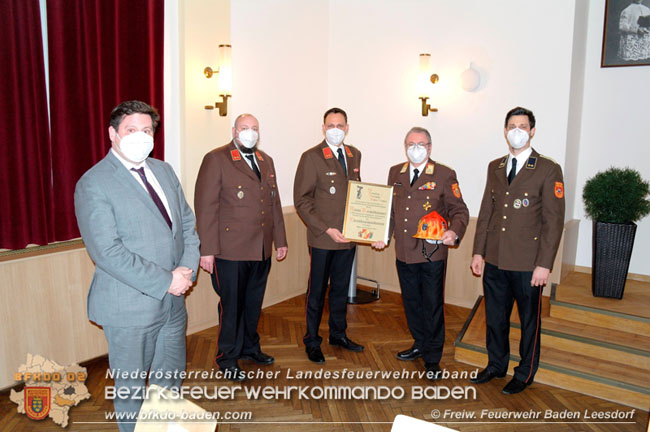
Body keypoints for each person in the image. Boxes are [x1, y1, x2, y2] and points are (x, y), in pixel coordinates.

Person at [74, 100, 200, 431]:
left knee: (169, 383)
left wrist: (186, 271)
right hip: (129, 308)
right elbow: (107, 252)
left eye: (147, 131)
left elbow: (187, 224)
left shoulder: (164, 170)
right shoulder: (94, 182)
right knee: (132, 392)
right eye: (132, 130)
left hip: (173, 304)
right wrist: (166, 280)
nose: (140, 137)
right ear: (113, 134)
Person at [470, 106, 565, 395]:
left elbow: (553, 221)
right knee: (495, 319)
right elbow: (487, 211)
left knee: (529, 323)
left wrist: (544, 264)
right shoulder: (495, 167)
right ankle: (496, 365)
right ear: (504, 130)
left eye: (523, 126)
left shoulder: (548, 169)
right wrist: (478, 252)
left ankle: (524, 373)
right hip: (496, 260)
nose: (517, 131)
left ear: (532, 131)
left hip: (528, 264)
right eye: (512, 125)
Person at [194, 113, 288, 381]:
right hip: (230, 250)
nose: (250, 132)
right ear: (234, 130)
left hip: (260, 249)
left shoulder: (265, 160)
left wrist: (279, 240)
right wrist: (207, 250)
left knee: (253, 303)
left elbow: (274, 204)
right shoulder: (217, 159)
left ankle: (249, 347)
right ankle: (227, 357)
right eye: (245, 128)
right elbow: (206, 207)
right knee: (232, 306)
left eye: (254, 128)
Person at [372, 127, 469, 379]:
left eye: (421, 144)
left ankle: (433, 358)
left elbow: (460, 211)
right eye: (411, 144)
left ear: (430, 147)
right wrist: (383, 235)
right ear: (405, 146)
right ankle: (419, 343)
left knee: (432, 305)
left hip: (431, 253)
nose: (416, 148)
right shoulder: (396, 172)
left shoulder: (445, 174)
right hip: (404, 252)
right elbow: (392, 211)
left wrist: (453, 233)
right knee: (411, 302)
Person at [294, 107, 363, 363]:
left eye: (340, 125)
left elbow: (357, 192)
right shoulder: (311, 157)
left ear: (347, 127)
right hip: (323, 238)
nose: (335, 129)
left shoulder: (354, 154)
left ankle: (338, 334)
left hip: (348, 238)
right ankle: (312, 340)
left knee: (340, 290)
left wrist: (366, 224)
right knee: (317, 292)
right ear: (323, 128)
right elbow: (301, 201)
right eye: (330, 125)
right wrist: (326, 229)